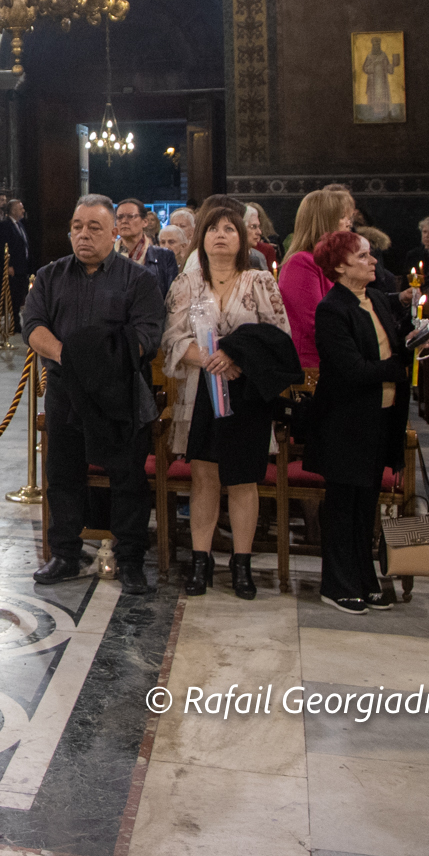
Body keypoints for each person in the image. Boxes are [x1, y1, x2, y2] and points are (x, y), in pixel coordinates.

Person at [22, 196, 164, 595]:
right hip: (66, 390)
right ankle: (65, 553)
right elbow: (33, 326)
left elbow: (147, 334)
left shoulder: (139, 280)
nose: (83, 234)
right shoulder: (50, 276)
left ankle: (130, 558)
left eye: (94, 227)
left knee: (127, 477)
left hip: (119, 393)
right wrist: (69, 356)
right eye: (77, 227)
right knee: (63, 473)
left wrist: (100, 364)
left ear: (114, 232)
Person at [163, 205, 293, 599]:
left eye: (229, 229)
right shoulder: (186, 284)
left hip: (246, 392)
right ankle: (200, 561)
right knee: (204, 478)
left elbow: (279, 337)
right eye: (213, 229)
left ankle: (242, 564)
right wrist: (211, 359)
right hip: (200, 391)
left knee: (242, 480)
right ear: (201, 239)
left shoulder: (260, 282)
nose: (220, 235)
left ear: (242, 239)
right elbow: (172, 338)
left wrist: (237, 356)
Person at [308, 228, 421, 613]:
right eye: (363, 256)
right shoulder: (331, 309)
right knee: (343, 507)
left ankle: (364, 578)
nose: (373, 262)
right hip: (345, 422)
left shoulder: (373, 298)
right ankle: (337, 583)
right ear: (340, 266)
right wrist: (397, 367)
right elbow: (352, 369)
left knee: (365, 506)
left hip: (380, 418)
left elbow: (391, 342)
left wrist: (415, 338)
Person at [278, 188, 354, 367]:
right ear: (325, 221)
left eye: (348, 217)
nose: (348, 223)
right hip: (313, 363)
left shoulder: (332, 262)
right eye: (342, 217)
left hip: (336, 355)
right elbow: (315, 322)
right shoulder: (301, 262)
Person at [115, 198, 179, 296]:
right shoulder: (106, 256)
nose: (124, 221)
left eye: (130, 216)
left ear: (145, 222)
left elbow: (171, 297)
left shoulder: (165, 256)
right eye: (120, 217)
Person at [0, 197, 32, 317]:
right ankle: (13, 321)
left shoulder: (20, 225)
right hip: (13, 268)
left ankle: (17, 320)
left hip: (22, 267)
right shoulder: (5, 226)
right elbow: (4, 246)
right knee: (13, 297)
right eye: (21, 209)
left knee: (20, 295)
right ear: (13, 210)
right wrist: (8, 264)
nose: (23, 211)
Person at [244, 203, 280, 271]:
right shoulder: (226, 257)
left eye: (259, 227)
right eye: (253, 227)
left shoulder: (259, 257)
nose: (259, 232)